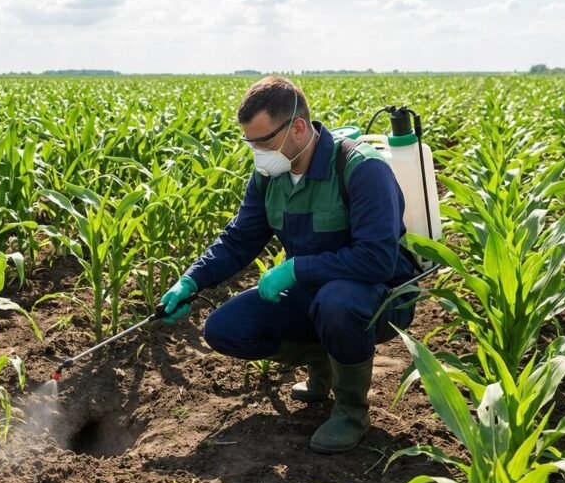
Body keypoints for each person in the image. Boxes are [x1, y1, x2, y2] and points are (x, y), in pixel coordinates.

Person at [159, 76, 418, 454]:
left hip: (380, 295)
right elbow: (239, 239)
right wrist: (190, 281)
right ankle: (325, 360)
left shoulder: (361, 168)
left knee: (337, 301)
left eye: (263, 142)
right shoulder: (271, 176)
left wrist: (298, 269)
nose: (257, 153)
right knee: (225, 328)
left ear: (297, 127)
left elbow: (377, 259)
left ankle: (351, 411)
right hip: (314, 292)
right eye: (251, 143)